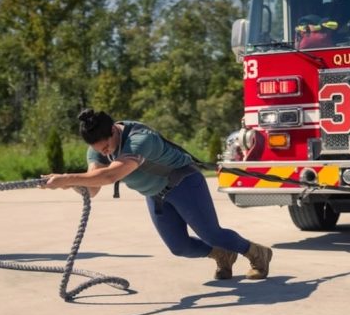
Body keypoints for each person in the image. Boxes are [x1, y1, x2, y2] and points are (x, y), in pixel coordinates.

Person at [42, 109, 273, 281]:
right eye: (99, 150)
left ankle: (257, 253)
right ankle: (222, 255)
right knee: (179, 247)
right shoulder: (99, 146)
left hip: (184, 183)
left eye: (106, 147)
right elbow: (92, 187)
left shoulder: (139, 139)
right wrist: (64, 183)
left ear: (113, 130)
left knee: (211, 233)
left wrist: (67, 177)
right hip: (156, 195)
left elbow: (112, 175)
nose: (105, 152)